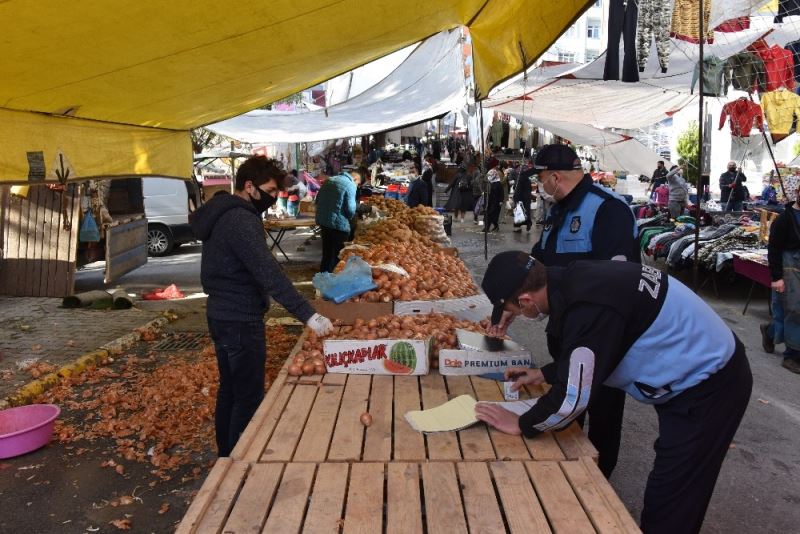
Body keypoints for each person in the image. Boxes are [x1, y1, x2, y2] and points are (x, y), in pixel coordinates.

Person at [478, 252, 752, 534]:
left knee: (672, 497)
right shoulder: (573, 279)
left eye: (518, 310)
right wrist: (545, 373)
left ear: (526, 301)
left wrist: (522, 423)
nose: (522, 316)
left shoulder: (588, 306)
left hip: (711, 382)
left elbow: (573, 399)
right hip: (694, 362)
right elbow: (596, 348)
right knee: (671, 484)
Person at [189, 156, 334, 456]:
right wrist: (308, 314)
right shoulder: (240, 220)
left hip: (221, 314)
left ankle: (225, 455)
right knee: (248, 396)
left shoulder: (225, 212)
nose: (272, 197)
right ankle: (237, 461)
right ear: (249, 186)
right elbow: (270, 275)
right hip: (240, 320)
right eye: (269, 190)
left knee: (231, 389)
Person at [529, 143, 638, 478]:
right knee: (567, 405)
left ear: (555, 176)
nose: (539, 186)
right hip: (564, 331)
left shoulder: (609, 211)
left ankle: (600, 481)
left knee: (603, 414)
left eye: (540, 179)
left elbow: (619, 283)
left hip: (603, 339)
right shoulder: (557, 209)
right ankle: (568, 476)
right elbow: (541, 260)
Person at [761, 180, 800, 373]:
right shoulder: (784, 220)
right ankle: (791, 356)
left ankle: (769, 332)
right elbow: (774, 249)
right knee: (794, 310)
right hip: (789, 268)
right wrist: (777, 277)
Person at [315, 169, 360, 272]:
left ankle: (323, 277)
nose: (357, 186)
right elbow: (350, 209)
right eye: (358, 183)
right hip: (339, 226)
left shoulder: (329, 181)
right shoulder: (350, 185)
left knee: (326, 254)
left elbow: (317, 201)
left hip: (324, 223)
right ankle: (333, 280)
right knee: (338, 256)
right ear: (355, 179)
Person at [512, 160, 534, 232]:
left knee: (519, 211)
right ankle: (528, 223)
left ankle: (518, 226)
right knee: (527, 210)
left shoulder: (519, 179)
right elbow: (530, 188)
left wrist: (515, 198)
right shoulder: (527, 180)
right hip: (527, 197)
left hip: (520, 198)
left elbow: (517, 189)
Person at [484, 168, 503, 232]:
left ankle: (488, 227)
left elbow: (501, 193)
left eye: (490, 175)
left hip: (496, 202)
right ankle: (493, 226)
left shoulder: (498, 184)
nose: (489, 177)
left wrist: (500, 201)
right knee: (489, 214)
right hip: (490, 201)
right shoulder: (490, 183)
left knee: (491, 215)